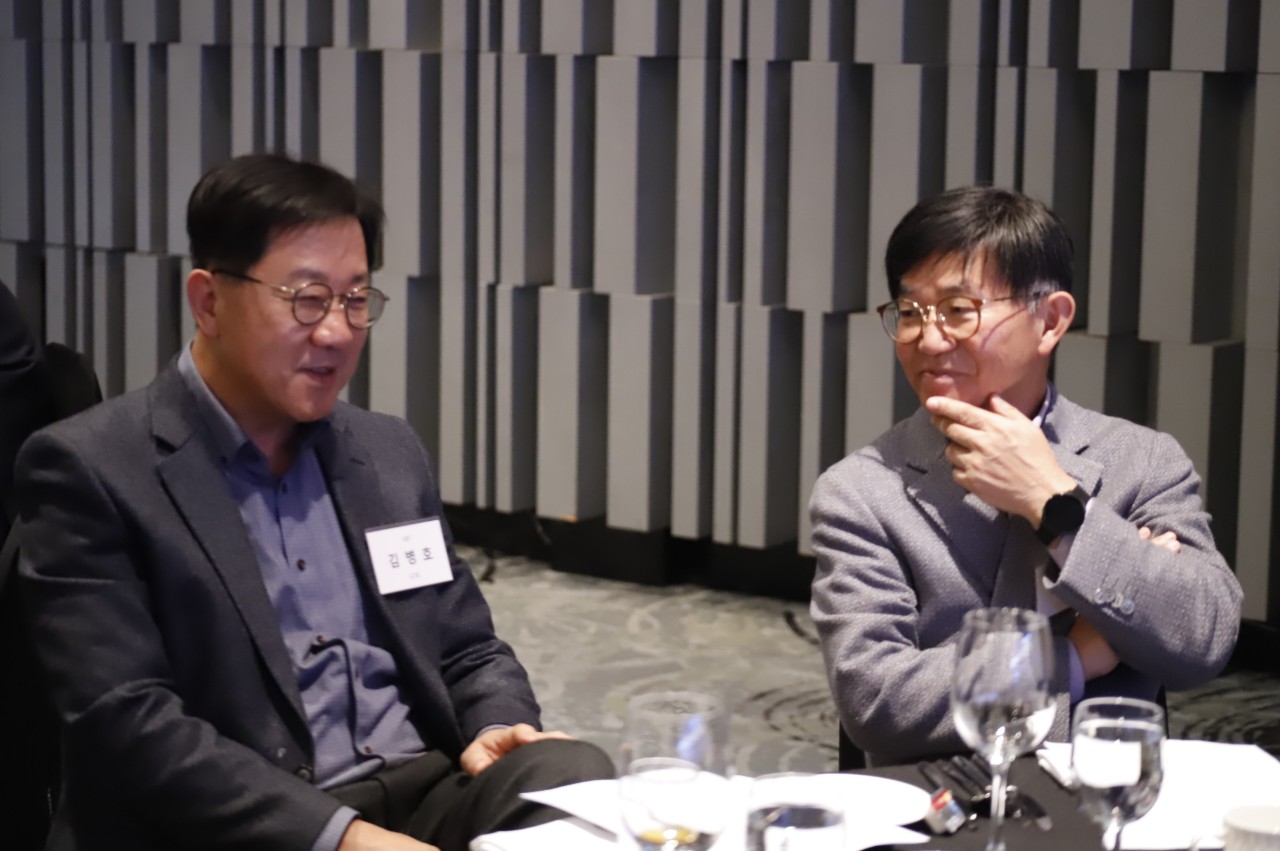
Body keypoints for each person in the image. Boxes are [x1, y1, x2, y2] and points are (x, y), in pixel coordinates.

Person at [15, 153, 614, 851]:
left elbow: (466, 646)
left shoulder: (386, 452)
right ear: (209, 301)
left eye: (356, 299)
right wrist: (343, 838)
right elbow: (128, 721)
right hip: (237, 821)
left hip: (415, 790)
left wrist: (494, 723)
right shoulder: (92, 466)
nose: (336, 331)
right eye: (306, 298)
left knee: (571, 777)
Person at [809, 185, 1243, 766]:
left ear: (1049, 321)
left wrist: (1054, 502)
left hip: (1102, 795)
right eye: (910, 313)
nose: (928, 339)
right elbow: (878, 700)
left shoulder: (1140, 461)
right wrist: (1071, 657)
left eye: (959, 310)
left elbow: (1204, 637)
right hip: (933, 804)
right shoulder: (860, 490)